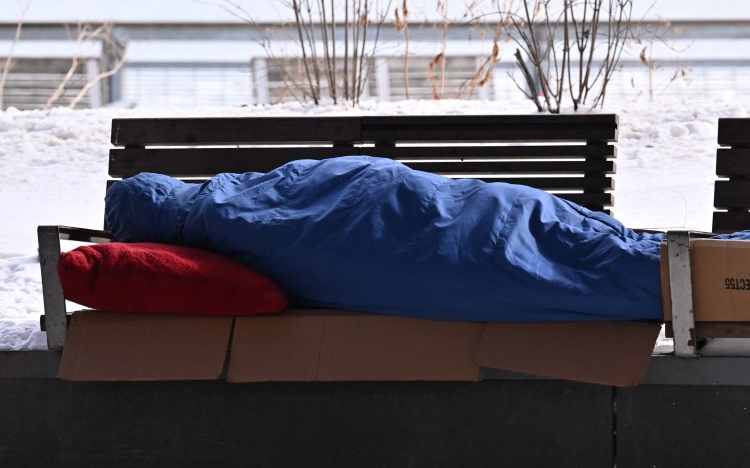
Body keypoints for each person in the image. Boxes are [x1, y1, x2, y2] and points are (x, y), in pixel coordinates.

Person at [104, 155, 667, 323]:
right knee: (615, 256)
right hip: (476, 220)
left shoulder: (231, 220)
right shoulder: (238, 204)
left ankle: (738, 267)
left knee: (609, 264)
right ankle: (739, 265)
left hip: (454, 232)